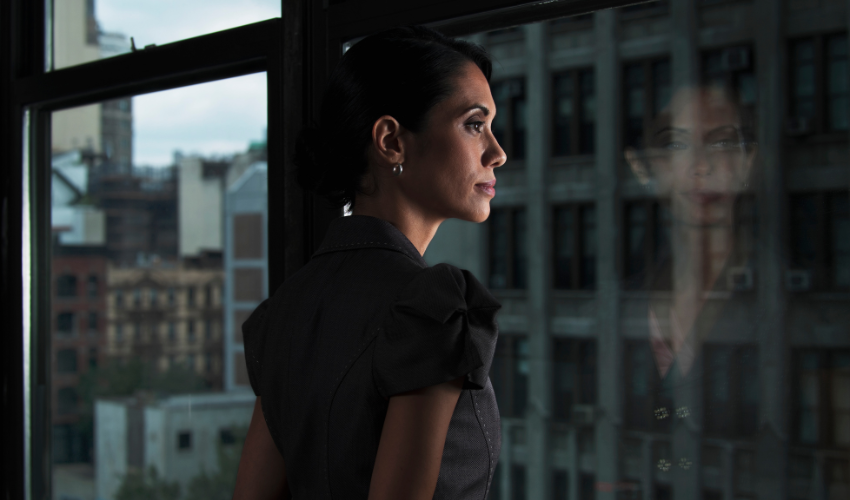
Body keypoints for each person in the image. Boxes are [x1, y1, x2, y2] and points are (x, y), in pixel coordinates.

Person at [232, 26, 507, 500]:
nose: (497, 153)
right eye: (473, 124)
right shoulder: (431, 309)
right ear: (391, 141)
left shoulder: (286, 310)